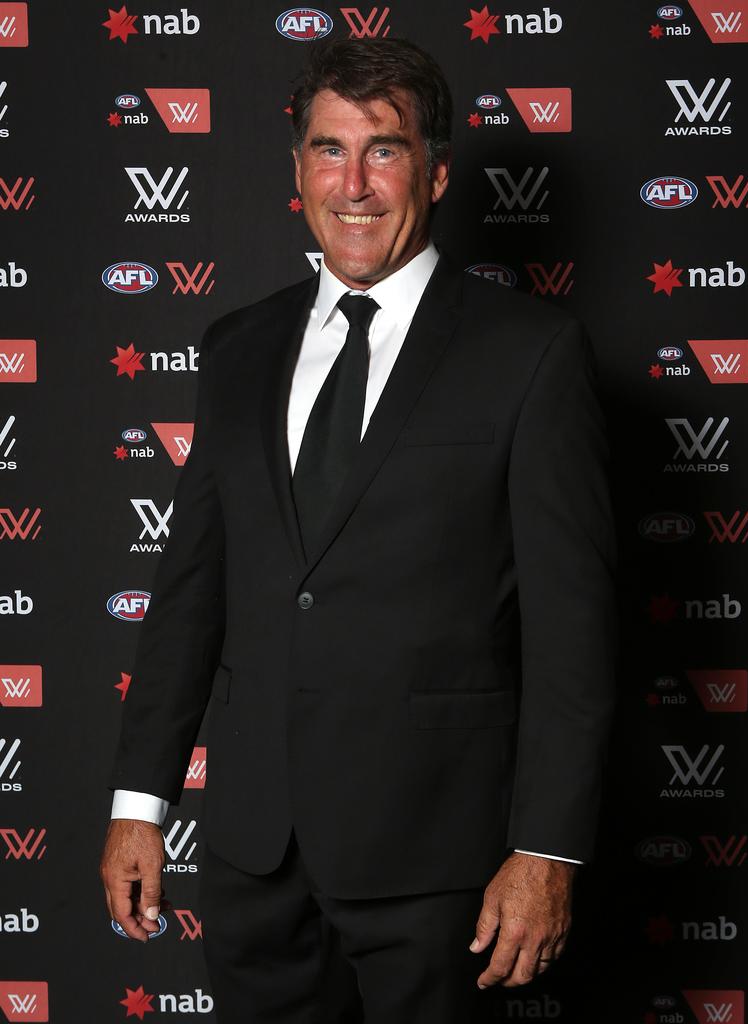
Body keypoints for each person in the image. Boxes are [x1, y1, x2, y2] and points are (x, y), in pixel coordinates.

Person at [100, 36, 616, 1024]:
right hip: (259, 860)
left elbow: (573, 631)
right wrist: (138, 804)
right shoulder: (239, 348)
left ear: (438, 169)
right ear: (297, 170)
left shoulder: (530, 356)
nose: (355, 184)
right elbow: (191, 590)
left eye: (384, 149)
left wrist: (547, 851)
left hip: (441, 867)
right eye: (329, 150)